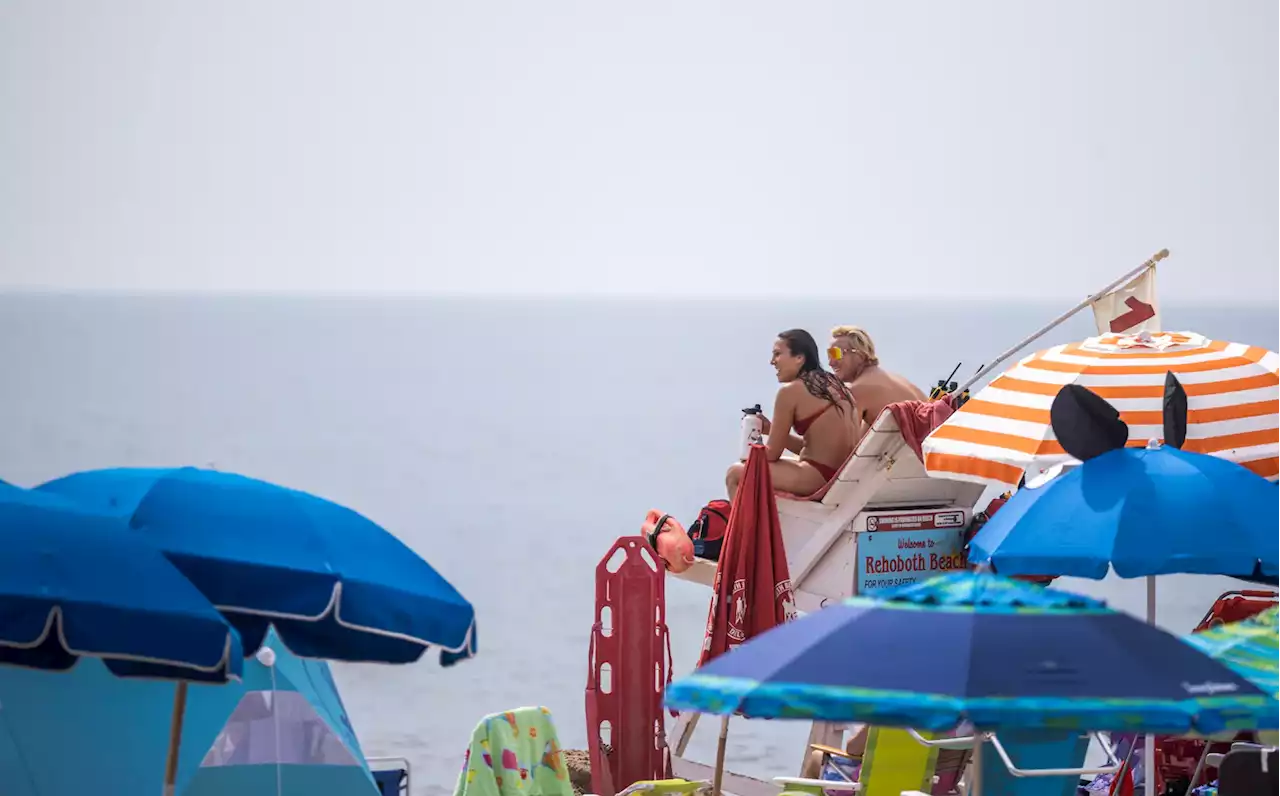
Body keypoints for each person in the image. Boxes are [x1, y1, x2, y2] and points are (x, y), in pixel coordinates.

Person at [725, 329, 858, 499]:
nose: (772, 361)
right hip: (843, 475)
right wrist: (771, 429)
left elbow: (772, 454)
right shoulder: (836, 385)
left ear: (799, 358)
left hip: (819, 478)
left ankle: (746, 526)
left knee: (736, 473)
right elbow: (816, 448)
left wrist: (749, 451)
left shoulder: (790, 391)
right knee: (753, 468)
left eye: (777, 354)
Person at [827, 325, 926, 431]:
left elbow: (844, 443)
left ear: (860, 355)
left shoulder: (858, 390)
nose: (831, 362)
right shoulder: (898, 381)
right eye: (829, 354)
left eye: (836, 354)